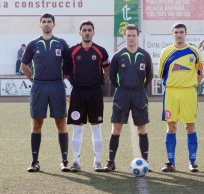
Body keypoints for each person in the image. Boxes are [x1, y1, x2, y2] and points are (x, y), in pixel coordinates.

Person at [21, 13, 70, 172]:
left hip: (57, 86)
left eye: (49, 21)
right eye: (44, 22)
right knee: (37, 123)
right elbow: (24, 65)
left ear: (54, 24)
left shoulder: (61, 43)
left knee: (61, 123)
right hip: (39, 87)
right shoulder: (33, 44)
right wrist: (34, 80)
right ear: (40, 24)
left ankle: (64, 161)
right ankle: (35, 161)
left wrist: (63, 77)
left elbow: (69, 65)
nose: (47, 24)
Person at [103, 24, 153, 172]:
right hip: (122, 94)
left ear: (138, 36)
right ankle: (111, 162)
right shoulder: (118, 56)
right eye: (128, 35)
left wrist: (139, 87)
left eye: (133, 35)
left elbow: (149, 76)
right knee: (116, 127)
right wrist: (123, 87)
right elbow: (112, 77)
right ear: (124, 37)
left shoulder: (145, 55)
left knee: (142, 128)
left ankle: (145, 162)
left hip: (139, 94)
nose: (131, 38)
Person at [157, 23, 204, 173]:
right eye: (176, 32)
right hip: (171, 93)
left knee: (190, 126)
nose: (179, 35)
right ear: (172, 34)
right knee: (171, 126)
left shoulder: (194, 52)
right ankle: (171, 162)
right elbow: (160, 74)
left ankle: (192, 161)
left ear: (186, 33)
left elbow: (200, 73)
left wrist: (189, 84)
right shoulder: (166, 52)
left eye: (181, 32)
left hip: (189, 93)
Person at [65, 20, 110, 172]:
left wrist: (98, 82)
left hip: (95, 93)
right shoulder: (72, 51)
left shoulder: (100, 51)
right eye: (84, 30)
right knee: (77, 129)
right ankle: (75, 161)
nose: (87, 32)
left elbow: (107, 69)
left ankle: (97, 161)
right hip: (77, 93)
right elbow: (66, 72)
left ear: (93, 32)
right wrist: (76, 82)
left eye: (89, 30)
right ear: (80, 32)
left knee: (96, 128)